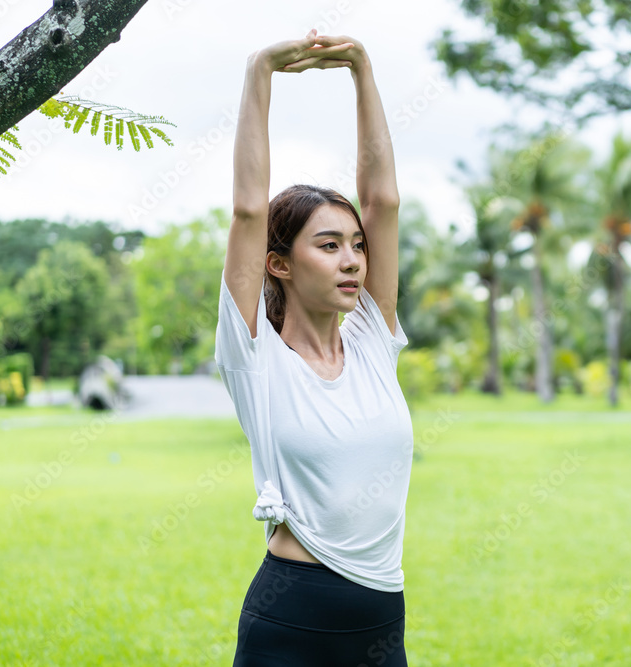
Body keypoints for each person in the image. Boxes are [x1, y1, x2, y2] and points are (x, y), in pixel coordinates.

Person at [215, 28, 412, 666]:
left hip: (383, 616)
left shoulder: (373, 340)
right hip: (291, 618)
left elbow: (383, 199)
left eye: (356, 244)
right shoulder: (255, 357)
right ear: (278, 264)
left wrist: (361, 66)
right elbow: (248, 209)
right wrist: (259, 72)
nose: (353, 259)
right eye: (328, 246)